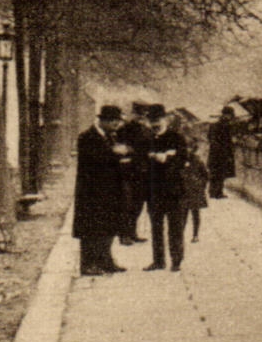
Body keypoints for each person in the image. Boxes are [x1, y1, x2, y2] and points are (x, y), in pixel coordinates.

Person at [73, 105, 131, 275]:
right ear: (102, 120)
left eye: (118, 121)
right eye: (113, 121)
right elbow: (95, 161)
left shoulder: (109, 136)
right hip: (92, 191)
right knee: (91, 228)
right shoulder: (87, 137)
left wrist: (121, 154)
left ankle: (105, 260)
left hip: (109, 189)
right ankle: (88, 264)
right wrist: (116, 154)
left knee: (108, 226)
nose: (117, 125)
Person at [143, 106, 190, 272]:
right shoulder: (147, 139)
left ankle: (176, 260)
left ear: (165, 120)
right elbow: (142, 162)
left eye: (157, 120)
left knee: (175, 228)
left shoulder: (177, 137)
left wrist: (166, 159)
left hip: (174, 190)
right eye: (151, 121)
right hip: (154, 191)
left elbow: (183, 159)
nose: (154, 124)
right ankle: (158, 261)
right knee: (156, 228)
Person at [115, 101, 154, 244]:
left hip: (143, 171)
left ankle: (132, 232)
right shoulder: (123, 129)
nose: (140, 117)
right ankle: (124, 234)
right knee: (127, 203)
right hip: (127, 171)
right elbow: (118, 148)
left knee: (138, 204)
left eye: (143, 115)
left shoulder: (147, 130)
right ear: (133, 113)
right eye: (138, 114)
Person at [180, 133, 210, 243]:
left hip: (195, 191)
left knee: (195, 214)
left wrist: (200, 186)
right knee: (182, 214)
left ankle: (195, 234)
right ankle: (180, 235)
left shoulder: (198, 161)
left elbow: (205, 175)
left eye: (190, 148)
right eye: (186, 147)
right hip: (183, 190)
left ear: (194, 149)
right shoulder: (180, 161)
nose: (188, 150)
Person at [206, 104, 238, 199]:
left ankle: (212, 192)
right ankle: (218, 193)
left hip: (214, 153)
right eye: (230, 115)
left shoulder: (214, 125)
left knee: (214, 173)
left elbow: (209, 138)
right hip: (222, 153)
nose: (230, 117)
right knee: (220, 174)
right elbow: (228, 140)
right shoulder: (226, 126)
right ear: (226, 115)